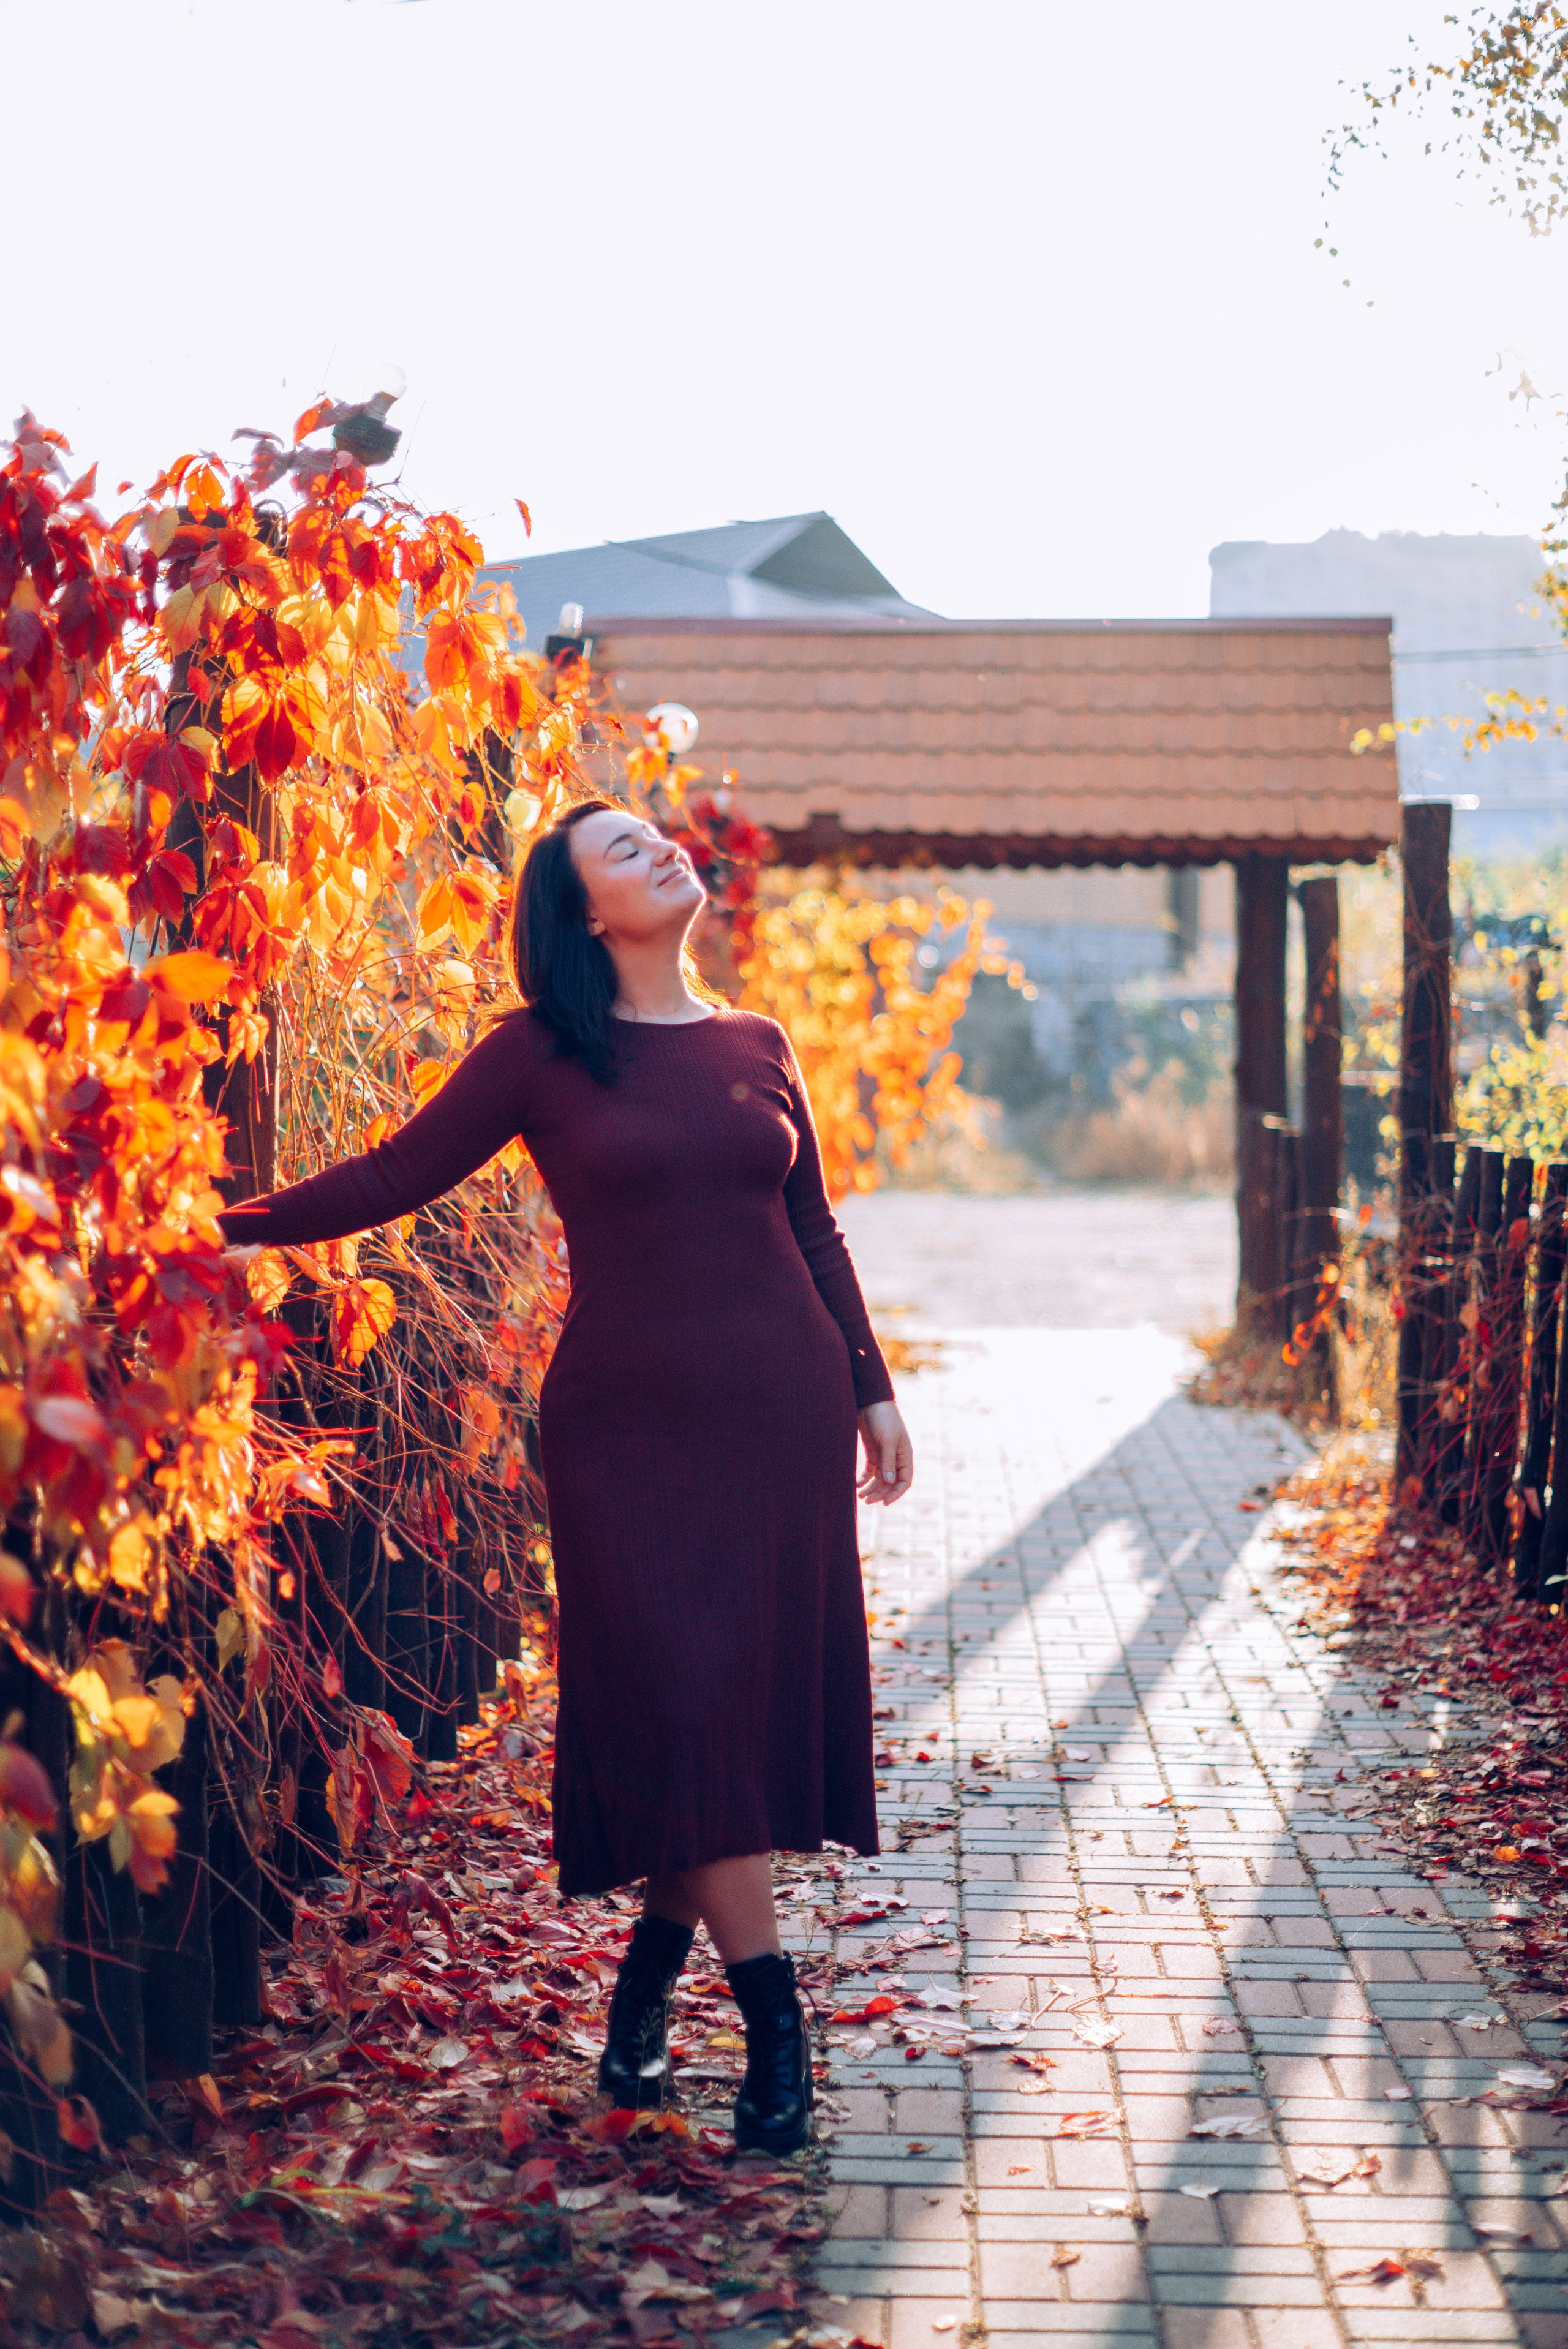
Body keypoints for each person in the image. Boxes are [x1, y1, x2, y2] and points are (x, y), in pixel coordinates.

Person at [218, 798, 913, 2154]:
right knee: (686, 1696)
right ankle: (774, 2022)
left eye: (660, 835)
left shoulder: (756, 1044)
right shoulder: (538, 1053)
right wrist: (222, 1231)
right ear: (585, 913)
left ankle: (646, 1996)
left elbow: (811, 1228)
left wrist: (871, 1386)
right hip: (624, 1430)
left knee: (716, 1716)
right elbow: (394, 1170)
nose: (661, 849)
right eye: (623, 850)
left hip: (779, 1412)